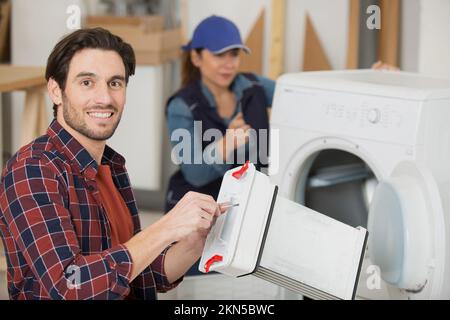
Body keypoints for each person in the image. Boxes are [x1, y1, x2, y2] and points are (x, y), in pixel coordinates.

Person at [0, 28, 225, 300]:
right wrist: (166, 227)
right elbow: (70, 286)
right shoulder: (32, 170)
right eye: (87, 83)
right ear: (56, 91)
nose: (105, 98)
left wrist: (196, 241)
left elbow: (141, 273)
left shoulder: (112, 167)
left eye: (115, 83)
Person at [165, 15, 275, 213]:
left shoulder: (254, 86)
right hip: (197, 210)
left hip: (246, 204)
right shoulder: (181, 106)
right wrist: (225, 145)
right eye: (219, 54)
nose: (229, 63)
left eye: (234, 54)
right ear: (196, 58)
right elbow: (195, 173)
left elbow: (293, 96)